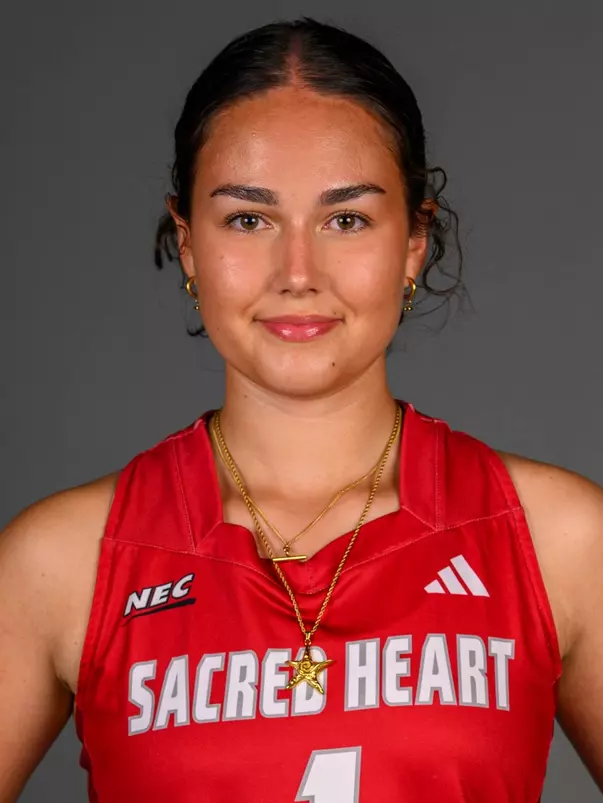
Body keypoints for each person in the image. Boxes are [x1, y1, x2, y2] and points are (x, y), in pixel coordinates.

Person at [0, 16, 601, 803]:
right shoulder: (61, 561)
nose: (297, 271)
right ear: (187, 242)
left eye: (345, 218)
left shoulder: (559, 541)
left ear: (414, 241)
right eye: (247, 219)